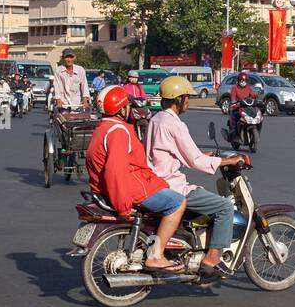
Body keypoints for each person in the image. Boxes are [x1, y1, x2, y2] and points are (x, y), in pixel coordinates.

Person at [145, 76, 247, 278]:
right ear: (178, 99)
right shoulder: (175, 124)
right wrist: (230, 160)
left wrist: (201, 155)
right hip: (172, 186)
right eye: (187, 98)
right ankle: (212, 258)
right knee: (225, 207)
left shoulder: (156, 119)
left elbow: (166, 153)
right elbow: (196, 162)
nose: (188, 102)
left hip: (155, 180)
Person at [86, 85, 186, 273]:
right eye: (128, 106)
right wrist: (123, 207)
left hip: (116, 187)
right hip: (133, 188)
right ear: (122, 109)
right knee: (177, 203)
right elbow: (116, 172)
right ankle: (156, 256)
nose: (130, 110)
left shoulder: (102, 128)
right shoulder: (119, 131)